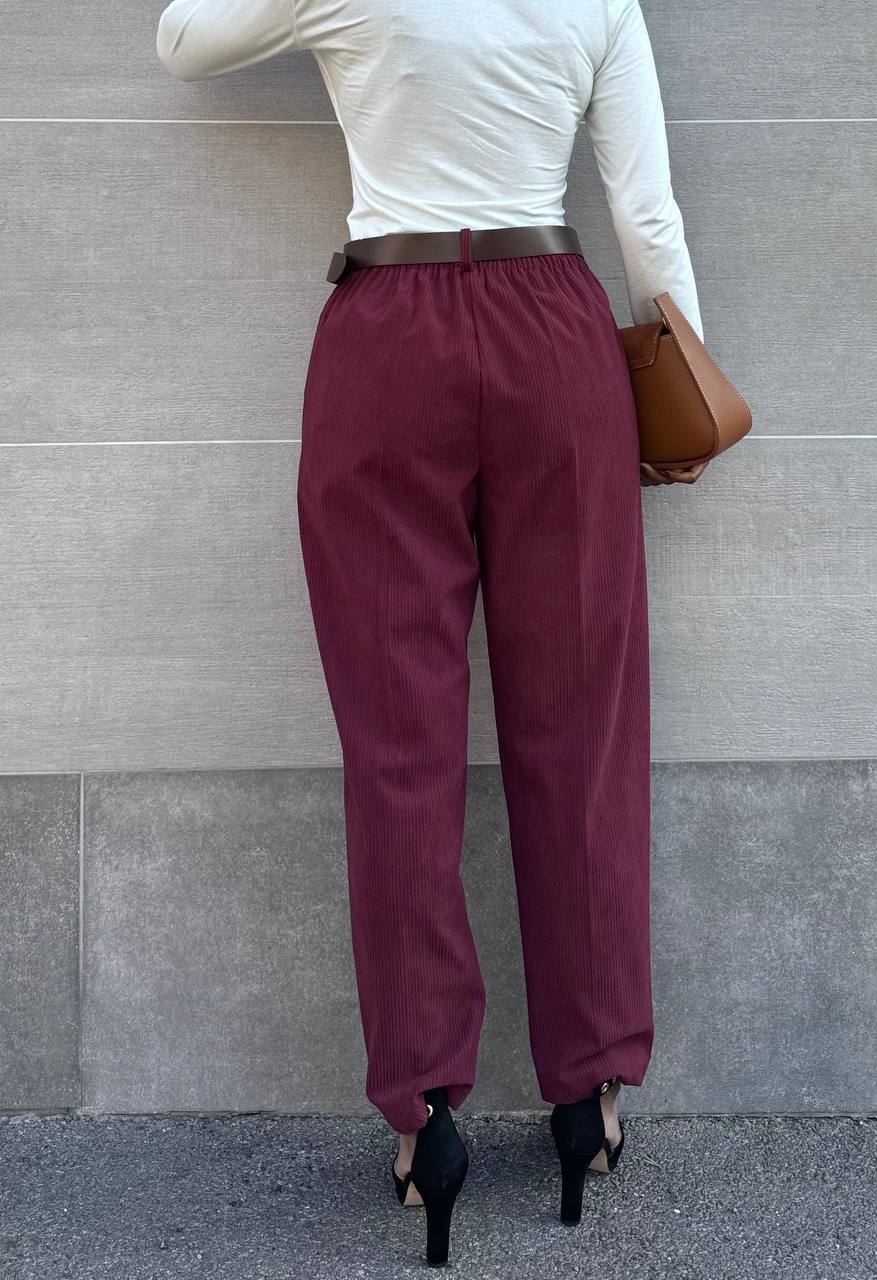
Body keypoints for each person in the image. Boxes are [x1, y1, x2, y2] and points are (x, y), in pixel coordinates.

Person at [156, 0, 706, 1264]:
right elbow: (647, 214)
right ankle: (589, 1096)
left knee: (398, 745)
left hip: (386, 338)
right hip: (557, 336)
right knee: (583, 730)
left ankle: (427, 1117)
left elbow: (183, 40)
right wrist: (680, 382)